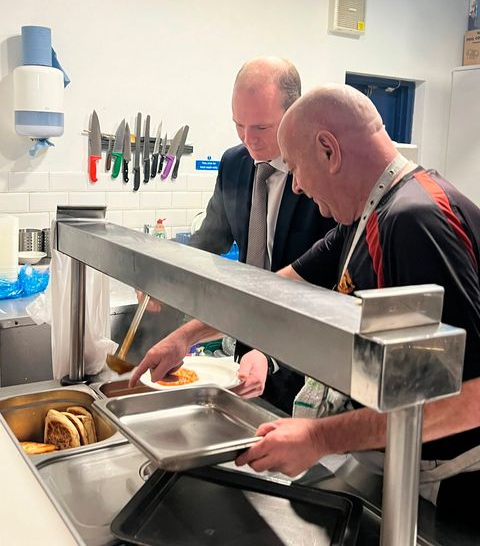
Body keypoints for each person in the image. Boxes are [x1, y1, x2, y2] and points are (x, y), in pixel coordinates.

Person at [235, 83, 480, 517]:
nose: (294, 187)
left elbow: (470, 397)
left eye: (294, 169)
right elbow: (279, 289)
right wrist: (189, 332)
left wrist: (319, 438)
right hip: (403, 465)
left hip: (456, 487)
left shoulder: (414, 220)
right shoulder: (367, 213)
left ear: (329, 150)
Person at [130, 57, 335, 413]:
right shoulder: (234, 163)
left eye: (261, 128)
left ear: (294, 114)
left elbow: (323, 288)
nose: (247, 139)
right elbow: (210, 240)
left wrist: (271, 353)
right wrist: (164, 273)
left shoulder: (318, 175)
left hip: (304, 365)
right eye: (239, 125)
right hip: (245, 346)